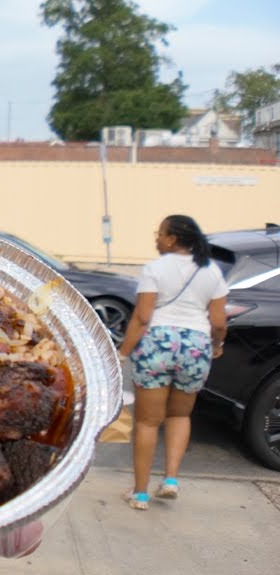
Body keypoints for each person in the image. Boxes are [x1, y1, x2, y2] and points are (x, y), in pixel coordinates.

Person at [116, 214, 228, 510]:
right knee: (180, 416)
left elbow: (142, 318)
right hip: (195, 347)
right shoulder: (211, 271)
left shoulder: (155, 269)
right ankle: (170, 480)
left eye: (160, 233)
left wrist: (123, 352)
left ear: (173, 238)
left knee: (147, 422)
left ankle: (140, 494)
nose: (156, 237)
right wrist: (216, 345)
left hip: (157, 344)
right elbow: (218, 321)